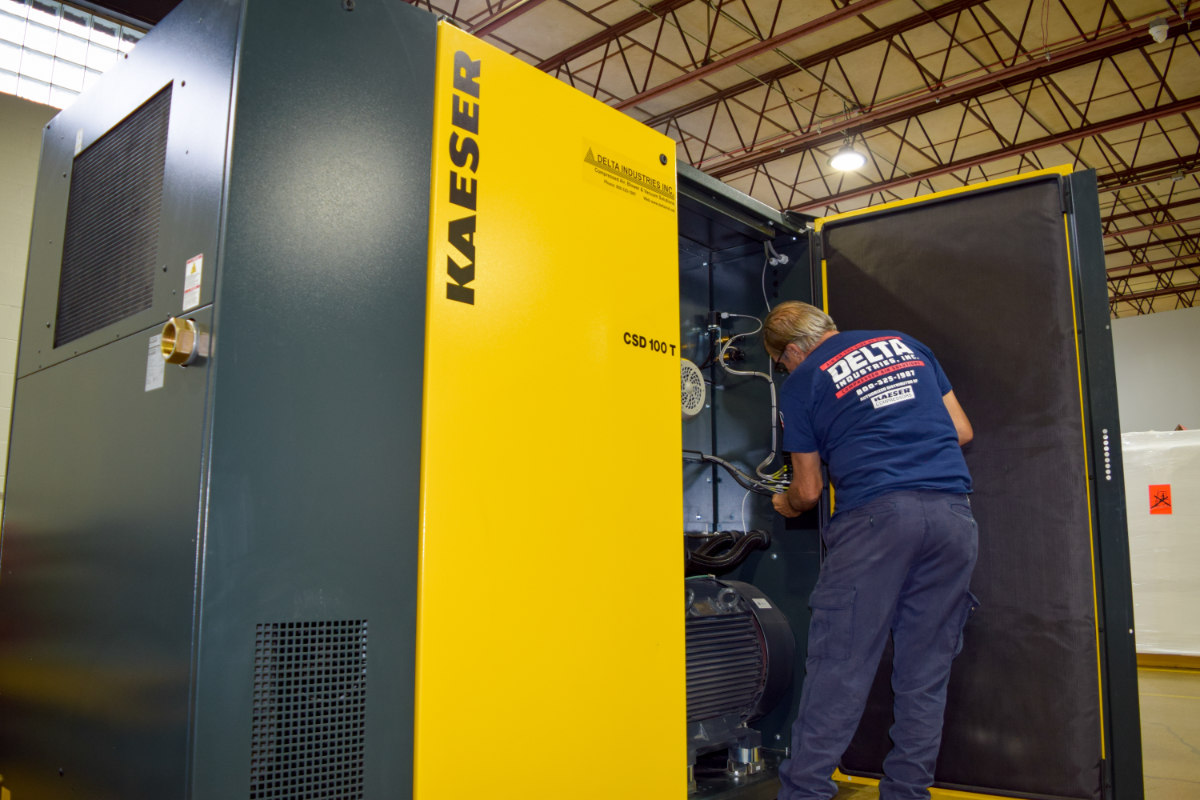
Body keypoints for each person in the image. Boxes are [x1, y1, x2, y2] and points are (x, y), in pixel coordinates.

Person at [763, 301, 979, 800]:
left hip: (876, 522)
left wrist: (785, 502)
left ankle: (804, 794)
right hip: (952, 516)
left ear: (792, 350)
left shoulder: (803, 380)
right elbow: (962, 430)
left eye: (781, 363)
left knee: (840, 666)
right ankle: (907, 793)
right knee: (924, 673)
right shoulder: (907, 344)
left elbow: (809, 490)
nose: (785, 371)